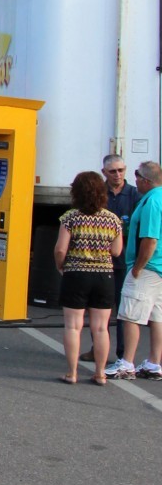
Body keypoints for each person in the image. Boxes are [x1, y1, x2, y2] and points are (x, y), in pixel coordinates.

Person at [54, 171, 123, 385]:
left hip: (76, 274)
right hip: (104, 276)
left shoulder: (70, 218)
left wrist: (60, 266)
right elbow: (117, 251)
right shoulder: (113, 220)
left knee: (73, 326)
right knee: (101, 328)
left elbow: (60, 249)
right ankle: (100, 373)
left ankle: (72, 373)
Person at [81, 153, 140, 363]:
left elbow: (139, 227)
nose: (117, 175)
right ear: (104, 172)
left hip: (124, 261)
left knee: (123, 310)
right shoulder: (97, 193)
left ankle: (123, 354)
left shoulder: (134, 194)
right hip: (98, 260)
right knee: (97, 309)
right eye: (113, 171)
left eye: (121, 170)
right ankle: (97, 349)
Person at [105, 161, 162, 380]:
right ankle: (154, 363)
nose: (134, 180)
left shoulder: (151, 202)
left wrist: (137, 267)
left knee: (129, 315)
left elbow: (150, 238)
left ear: (146, 180)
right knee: (157, 317)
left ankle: (126, 362)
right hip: (159, 268)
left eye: (137, 176)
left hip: (147, 267)